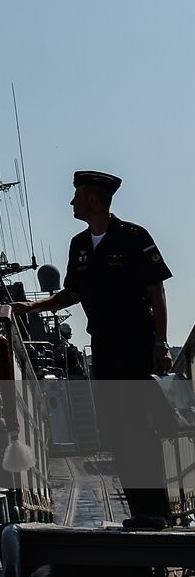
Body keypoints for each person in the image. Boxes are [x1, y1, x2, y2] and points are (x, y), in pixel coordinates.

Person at [10, 170, 174, 526]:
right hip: (102, 344)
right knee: (116, 429)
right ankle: (139, 512)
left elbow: (156, 293)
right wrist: (33, 307)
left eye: (76, 197)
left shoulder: (133, 237)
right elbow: (73, 293)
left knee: (139, 428)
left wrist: (161, 343)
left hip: (134, 342)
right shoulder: (79, 245)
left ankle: (157, 511)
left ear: (93, 200)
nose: (71, 202)